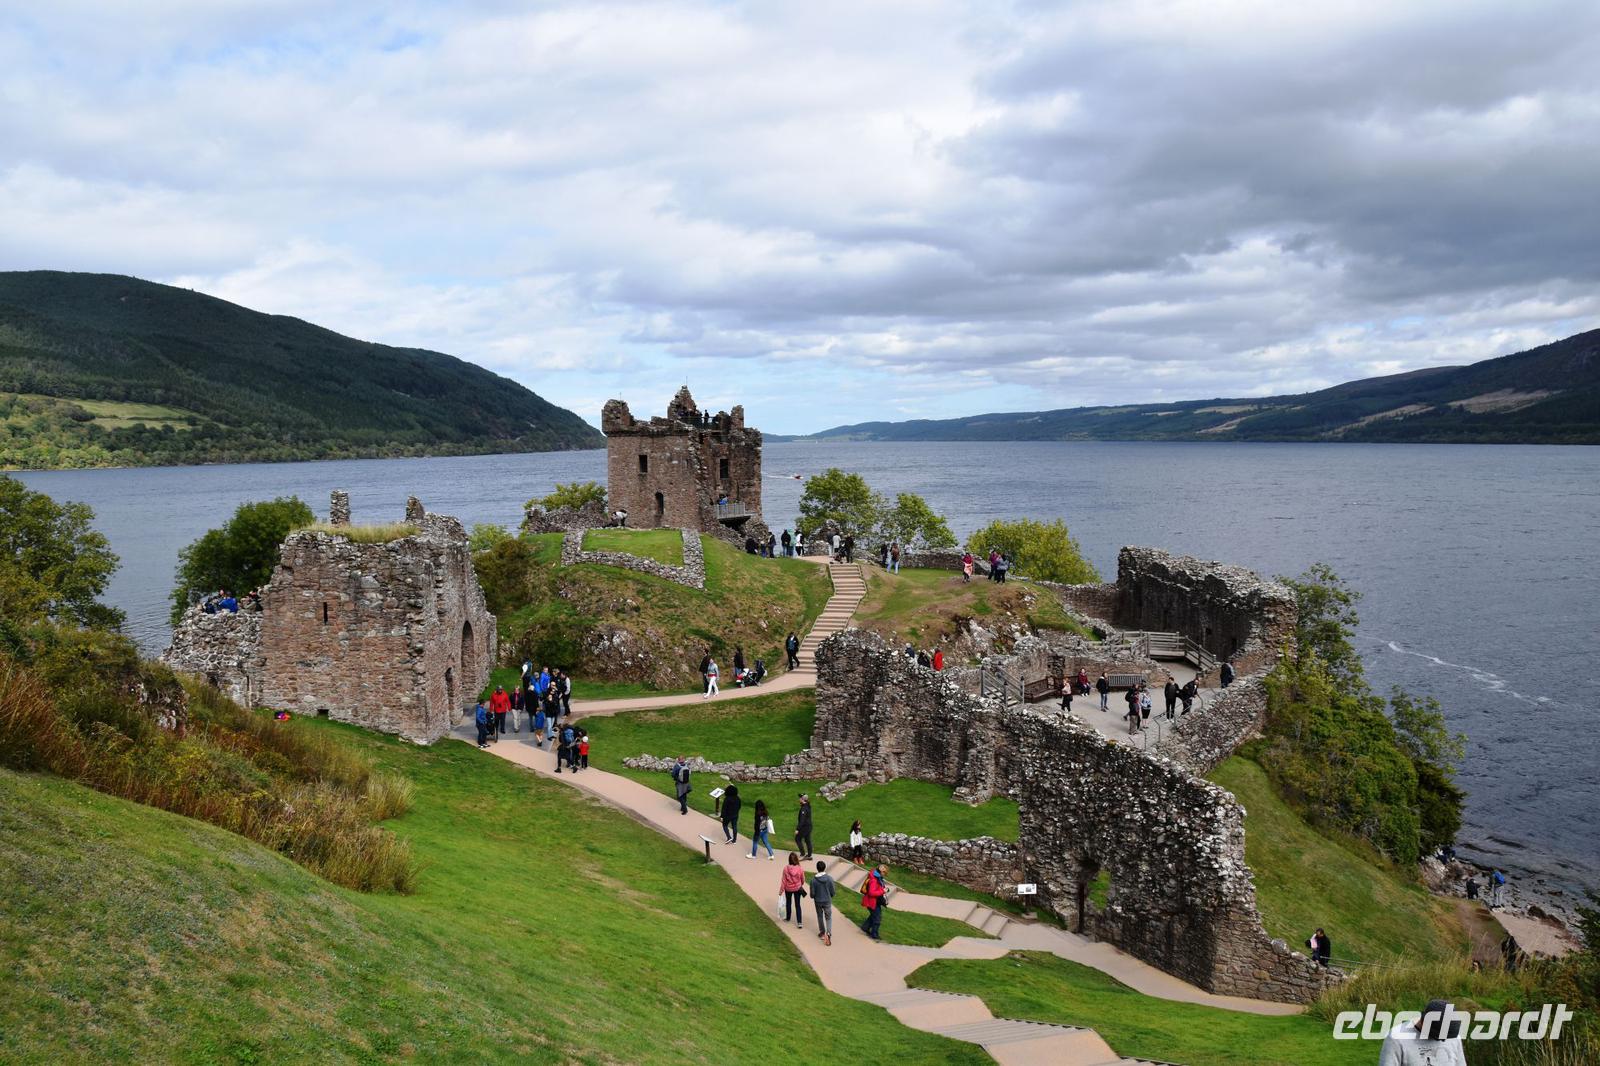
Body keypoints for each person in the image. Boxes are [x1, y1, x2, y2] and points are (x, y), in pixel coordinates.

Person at [1377, 999, 1467, 1066]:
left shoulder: (1452, 1036)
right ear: (1424, 1022)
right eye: (1438, 1036)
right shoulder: (1397, 1038)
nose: (1443, 1040)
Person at [811, 860, 837, 946]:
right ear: (824, 868)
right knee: (828, 917)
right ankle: (828, 933)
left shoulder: (813, 880)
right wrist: (830, 895)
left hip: (818, 901)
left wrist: (814, 896)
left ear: (817, 868)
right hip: (827, 901)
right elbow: (833, 891)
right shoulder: (829, 879)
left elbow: (812, 894)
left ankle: (822, 933)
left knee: (819, 916)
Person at [859, 865, 888, 941]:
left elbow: (877, 888)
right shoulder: (874, 880)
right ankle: (874, 934)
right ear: (881, 872)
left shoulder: (877, 878)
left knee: (873, 915)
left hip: (874, 901)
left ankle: (865, 927)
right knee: (877, 918)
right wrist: (883, 891)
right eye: (885, 873)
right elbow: (872, 893)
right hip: (872, 901)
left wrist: (883, 889)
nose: (885, 874)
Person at [781, 853, 806, 928]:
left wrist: (781, 890)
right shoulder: (800, 868)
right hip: (797, 888)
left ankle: (788, 918)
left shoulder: (785, 868)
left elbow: (783, 880)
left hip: (788, 888)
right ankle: (799, 922)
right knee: (797, 905)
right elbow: (803, 879)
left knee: (788, 903)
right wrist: (800, 884)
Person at [795, 794, 813, 859]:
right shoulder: (808, 806)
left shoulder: (804, 809)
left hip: (805, 827)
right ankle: (809, 855)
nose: (799, 799)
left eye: (800, 798)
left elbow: (802, 821)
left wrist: (797, 829)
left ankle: (802, 853)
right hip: (809, 826)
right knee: (808, 840)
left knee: (797, 839)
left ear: (803, 800)